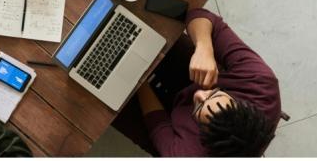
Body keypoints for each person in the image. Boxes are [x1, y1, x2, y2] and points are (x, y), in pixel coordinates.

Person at [114, 9, 280, 156]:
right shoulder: (260, 82)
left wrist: (136, 76)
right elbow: (200, 15)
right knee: (158, 27)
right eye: (215, 93)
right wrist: (204, 48)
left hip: (169, 123)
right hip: (192, 76)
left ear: (203, 137)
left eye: (199, 106)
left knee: (114, 104)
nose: (199, 93)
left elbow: (157, 121)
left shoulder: (187, 154)